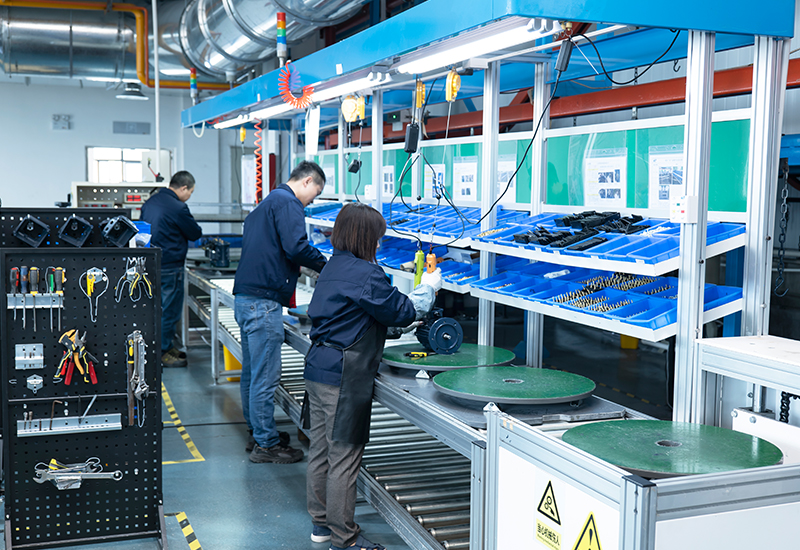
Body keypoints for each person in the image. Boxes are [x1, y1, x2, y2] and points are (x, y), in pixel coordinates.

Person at [302, 202, 442, 550]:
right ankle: (345, 538)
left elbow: (357, 316)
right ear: (365, 237)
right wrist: (429, 286)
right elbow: (404, 310)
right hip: (343, 375)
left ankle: (321, 525)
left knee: (320, 451)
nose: (379, 244)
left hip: (317, 367)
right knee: (344, 457)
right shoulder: (366, 274)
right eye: (377, 237)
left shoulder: (332, 267)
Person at [233, 160, 328, 464]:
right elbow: (297, 248)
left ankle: (257, 432)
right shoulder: (289, 203)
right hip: (262, 303)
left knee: (252, 373)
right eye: (316, 193)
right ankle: (267, 445)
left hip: (246, 298)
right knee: (264, 377)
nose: (311, 200)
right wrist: (328, 266)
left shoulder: (266, 204)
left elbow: (277, 250)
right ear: (307, 181)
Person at [141, 170, 203, 368]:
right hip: (170, 266)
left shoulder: (150, 202)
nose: (189, 196)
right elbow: (195, 233)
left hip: (150, 265)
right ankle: (162, 353)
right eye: (190, 192)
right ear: (183, 188)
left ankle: (162, 347)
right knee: (169, 311)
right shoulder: (178, 207)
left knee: (155, 309)